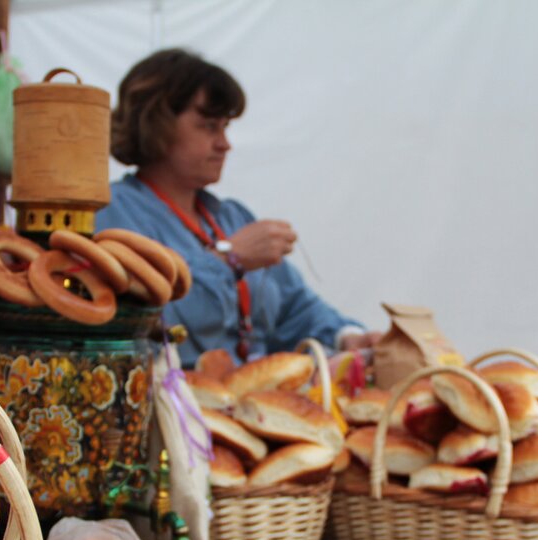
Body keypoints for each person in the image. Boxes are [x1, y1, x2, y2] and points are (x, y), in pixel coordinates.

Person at [95, 48, 382, 367]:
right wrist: (228, 260)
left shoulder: (232, 218)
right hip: (171, 396)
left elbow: (294, 308)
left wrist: (346, 336)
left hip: (249, 394)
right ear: (156, 124)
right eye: (209, 126)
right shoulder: (112, 213)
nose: (225, 143)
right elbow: (148, 326)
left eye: (225, 126)